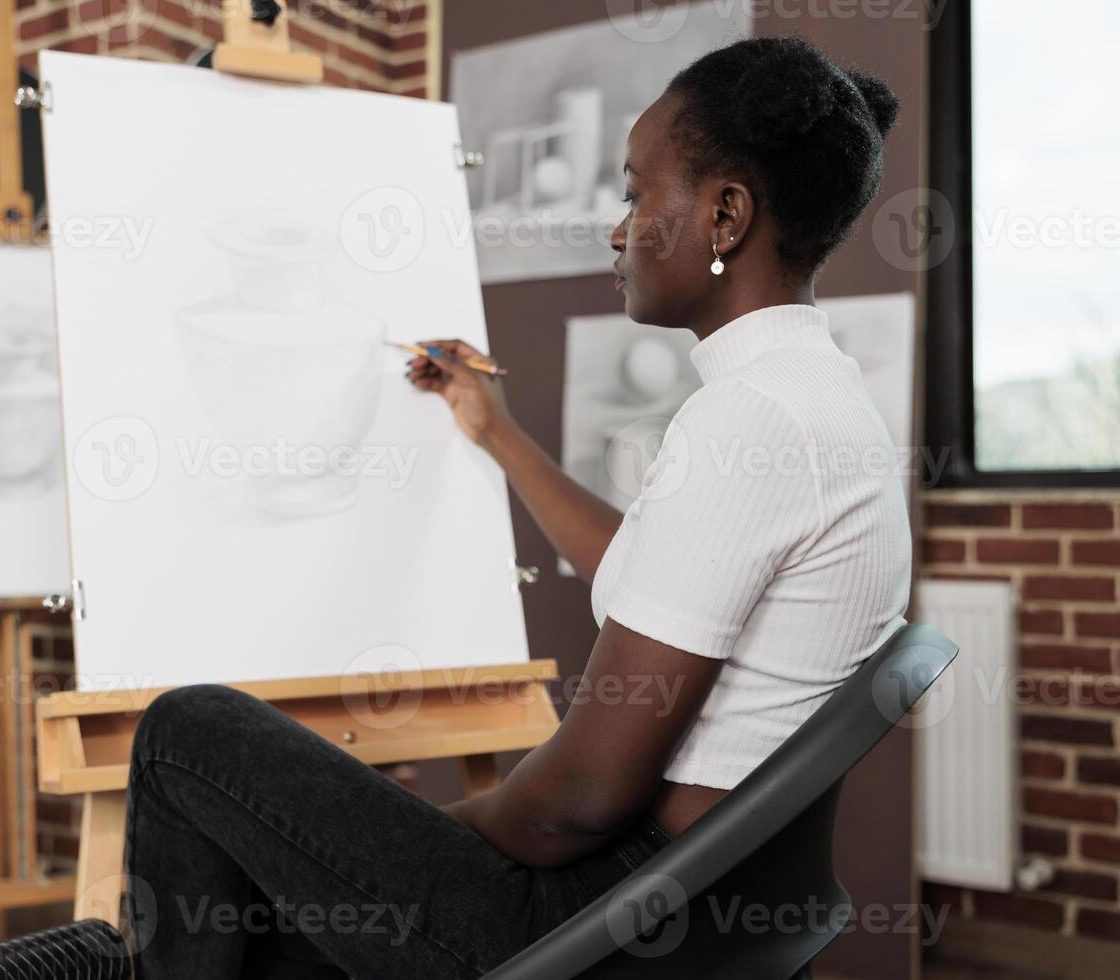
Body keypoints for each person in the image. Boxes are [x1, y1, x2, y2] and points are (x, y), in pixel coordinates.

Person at [125, 35, 912, 979]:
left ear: (726, 215)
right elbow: (654, 572)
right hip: (709, 908)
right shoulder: (820, 403)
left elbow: (575, 802)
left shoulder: (752, 420)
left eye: (633, 191)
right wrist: (493, 431)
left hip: (607, 918)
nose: (617, 228)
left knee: (187, 734)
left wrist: (401, 836)